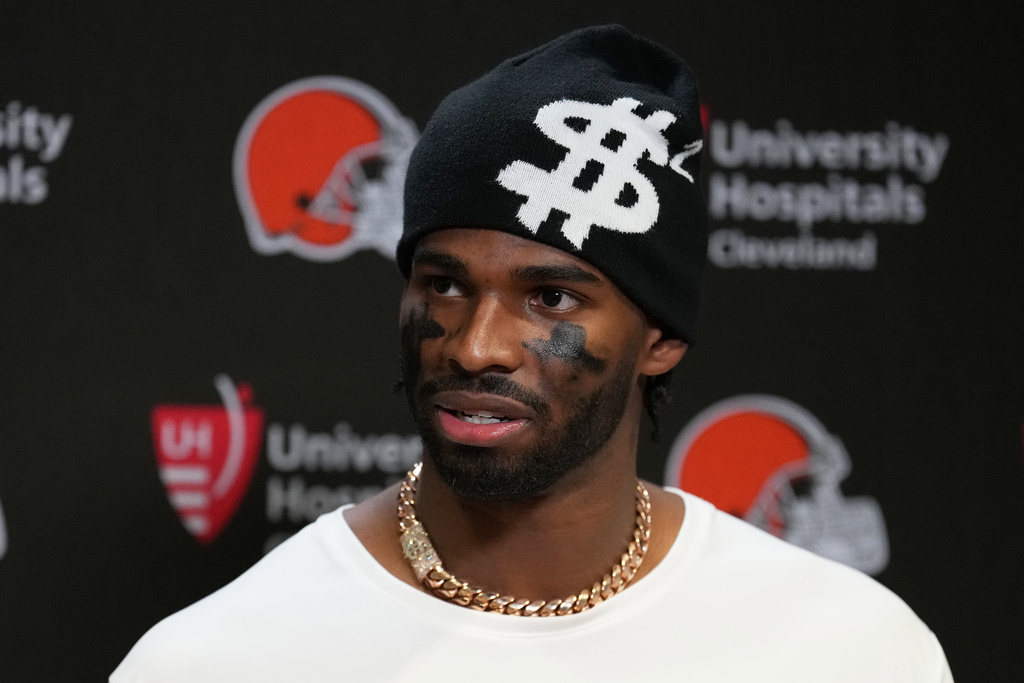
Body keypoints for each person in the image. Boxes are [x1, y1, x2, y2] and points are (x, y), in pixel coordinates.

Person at [111, 25, 953, 682]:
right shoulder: (218, 659)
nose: (476, 347)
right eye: (443, 284)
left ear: (661, 338)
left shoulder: (849, 650)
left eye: (551, 297)